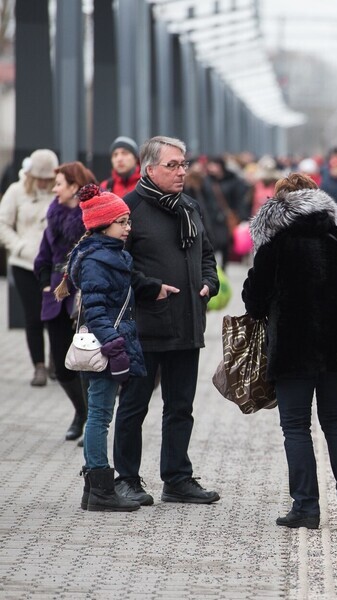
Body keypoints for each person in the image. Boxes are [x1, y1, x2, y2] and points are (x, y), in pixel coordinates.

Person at [242, 173, 337, 529]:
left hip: (293, 347)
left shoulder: (275, 244)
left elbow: (254, 301)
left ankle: (306, 508)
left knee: (296, 427)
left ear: (279, 204)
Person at [113, 136, 221, 507]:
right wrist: (150, 287)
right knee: (134, 406)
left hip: (187, 324)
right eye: (172, 165)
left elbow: (207, 255)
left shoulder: (189, 207)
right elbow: (116, 264)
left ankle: (177, 479)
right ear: (149, 169)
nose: (181, 172)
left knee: (180, 407)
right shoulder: (129, 208)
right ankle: (126, 479)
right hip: (145, 328)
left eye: (183, 164)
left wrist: (209, 283)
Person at [57, 183, 146, 511]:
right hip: (105, 347)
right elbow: (94, 311)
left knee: (100, 413)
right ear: (102, 224)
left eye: (128, 221)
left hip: (111, 344)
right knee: (99, 416)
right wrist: (114, 347)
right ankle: (100, 489)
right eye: (121, 222)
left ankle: (93, 490)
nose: (127, 227)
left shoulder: (110, 254)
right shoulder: (97, 260)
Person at [35, 161, 97, 441]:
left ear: (74, 187)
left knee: (85, 362)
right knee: (61, 368)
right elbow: (43, 256)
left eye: (59, 184)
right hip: (56, 297)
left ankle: (92, 422)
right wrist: (45, 282)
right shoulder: (53, 215)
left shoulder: (93, 216)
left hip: (84, 297)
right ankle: (81, 412)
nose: (54, 189)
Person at [0, 149, 59, 387]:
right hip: (25, 263)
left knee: (56, 315)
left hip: (54, 266)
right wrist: (19, 246)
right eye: (39, 178)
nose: (43, 183)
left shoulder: (59, 192)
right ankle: (39, 366)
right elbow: (3, 223)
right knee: (33, 316)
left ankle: (56, 361)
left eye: (48, 178)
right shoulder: (16, 191)